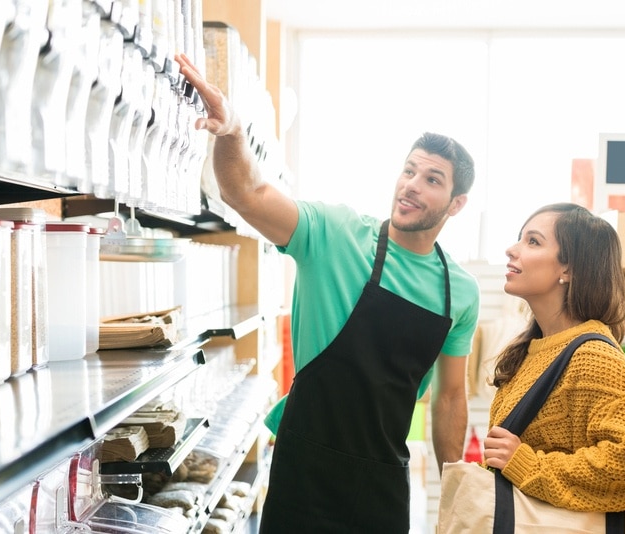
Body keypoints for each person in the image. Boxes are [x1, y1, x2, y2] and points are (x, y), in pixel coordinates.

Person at [174, 53, 481, 533]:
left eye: (432, 180)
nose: (412, 186)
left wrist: (456, 493)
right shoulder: (334, 234)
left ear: (456, 204)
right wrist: (232, 130)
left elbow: (450, 400)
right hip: (305, 473)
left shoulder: (457, 292)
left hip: (382, 480)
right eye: (409, 171)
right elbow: (245, 192)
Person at [483, 202, 625, 514]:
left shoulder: (594, 358)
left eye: (533, 241)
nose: (512, 250)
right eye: (520, 238)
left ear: (568, 269)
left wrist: (526, 464)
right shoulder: (535, 347)